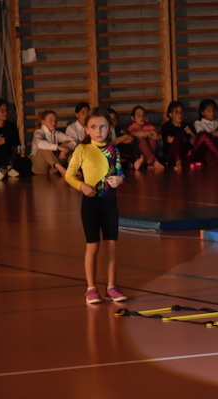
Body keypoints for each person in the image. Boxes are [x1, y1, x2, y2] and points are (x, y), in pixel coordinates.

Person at [64, 107, 127, 304]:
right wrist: (81, 186)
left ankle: (111, 286)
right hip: (91, 204)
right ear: (86, 129)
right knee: (92, 246)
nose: (98, 131)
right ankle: (91, 288)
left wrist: (119, 180)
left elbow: (120, 172)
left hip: (110, 203)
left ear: (110, 128)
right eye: (93, 127)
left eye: (103, 127)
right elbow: (69, 175)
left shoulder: (113, 150)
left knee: (112, 246)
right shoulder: (82, 150)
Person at [30, 109, 76, 176]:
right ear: (43, 122)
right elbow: (39, 143)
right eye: (51, 120)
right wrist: (57, 147)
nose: (54, 123)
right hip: (40, 168)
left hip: (52, 169)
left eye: (55, 121)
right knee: (43, 148)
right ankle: (61, 169)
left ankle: (73, 169)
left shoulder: (56, 133)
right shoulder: (39, 132)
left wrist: (65, 149)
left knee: (67, 143)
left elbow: (73, 140)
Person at [128, 105, 164, 170]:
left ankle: (148, 161)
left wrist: (148, 133)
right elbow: (136, 133)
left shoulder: (149, 127)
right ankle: (153, 161)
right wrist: (150, 132)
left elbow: (158, 136)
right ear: (133, 118)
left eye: (143, 115)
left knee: (152, 139)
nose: (142, 117)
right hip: (137, 153)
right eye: (138, 115)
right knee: (140, 138)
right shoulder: (132, 127)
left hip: (148, 152)